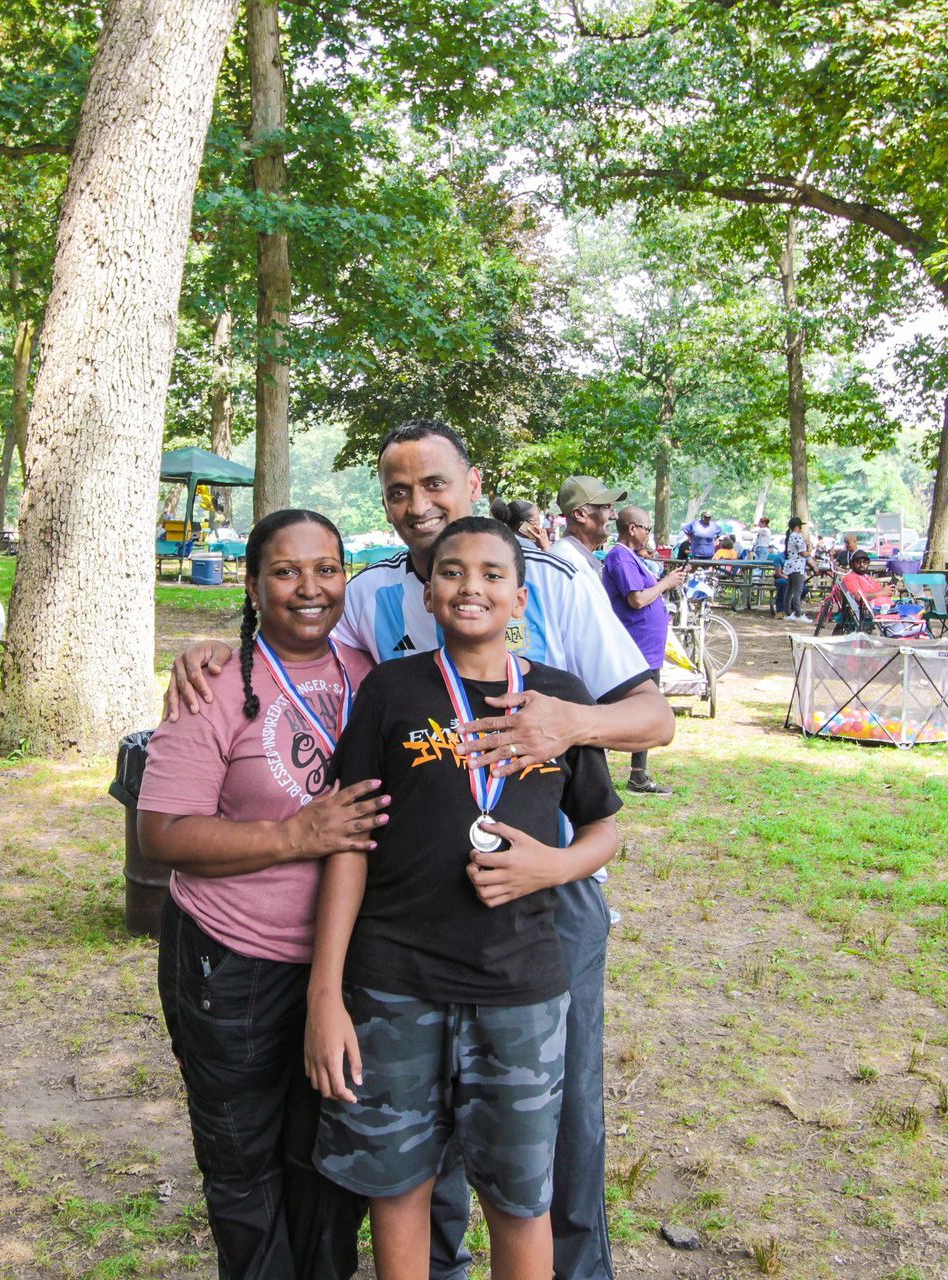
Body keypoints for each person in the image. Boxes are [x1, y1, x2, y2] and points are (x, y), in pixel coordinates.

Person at [169, 418, 672, 1280]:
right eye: (398, 491)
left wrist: (571, 723)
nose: (416, 504)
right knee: (414, 1148)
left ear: (473, 483)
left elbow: (653, 719)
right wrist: (226, 648)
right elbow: (316, 651)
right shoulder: (373, 596)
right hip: (408, 932)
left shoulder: (555, 575)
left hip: (538, 910)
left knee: (549, 1134)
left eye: (433, 484)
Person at [308, 517, 622, 1280]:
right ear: (428, 588)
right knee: (399, 1185)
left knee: (520, 1198)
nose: (470, 587)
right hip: (393, 984)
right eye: (452, 572)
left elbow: (605, 830)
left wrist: (552, 867)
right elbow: (349, 842)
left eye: (490, 575)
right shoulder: (392, 691)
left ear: (520, 597)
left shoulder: (556, 699)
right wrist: (326, 993)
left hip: (519, 987)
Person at [140, 510, 386, 1280]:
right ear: (251, 584)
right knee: (243, 1165)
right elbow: (163, 833)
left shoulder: (371, 675)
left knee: (327, 1160)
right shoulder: (213, 683)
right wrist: (295, 837)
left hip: (345, 969)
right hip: (232, 965)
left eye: (327, 569)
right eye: (285, 572)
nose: (309, 588)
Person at [601, 507, 686, 794]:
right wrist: (666, 583)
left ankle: (638, 774)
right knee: (621, 709)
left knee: (645, 710)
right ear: (632, 528)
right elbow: (637, 600)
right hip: (633, 649)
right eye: (647, 528)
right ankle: (598, 768)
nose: (649, 534)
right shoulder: (619, 557)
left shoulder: (633, 557)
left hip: (647, 650)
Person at [554, 475, 624, 579]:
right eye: (606, 507)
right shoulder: (568, 563)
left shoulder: (576, 558)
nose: (615, 516)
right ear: (579, 514)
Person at [777, 516, 811, 621]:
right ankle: (797, 613)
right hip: (797, 566)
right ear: (798, 526)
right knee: (798, 590)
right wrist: (810, 549)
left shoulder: (791, 536)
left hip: (790, 565)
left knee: (789, 589)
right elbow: (803, 553)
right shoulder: (797, 536)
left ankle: (788, 611)